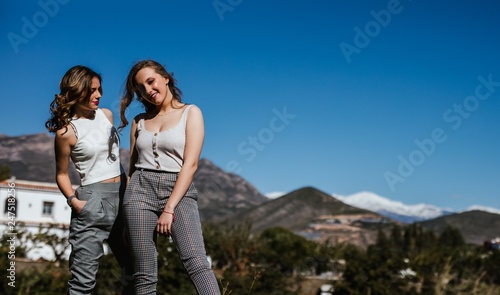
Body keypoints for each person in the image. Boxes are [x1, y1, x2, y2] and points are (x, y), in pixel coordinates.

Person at [118, 59, 220, 294]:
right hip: (139, 192)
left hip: (179, 190)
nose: (148, 91)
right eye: (141, 88)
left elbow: (190, 165)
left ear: (166, 78)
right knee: (144, 272)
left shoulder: (190, 112)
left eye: (151, 82)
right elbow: (132, 170)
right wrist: (125, 219)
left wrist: (169, 208)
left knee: (196, 263)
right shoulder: (138, 122)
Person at [45, 65, 134, 294]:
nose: (98, 95)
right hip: (93, 202)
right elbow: (62, 174)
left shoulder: (106, 115)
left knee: (136, 270)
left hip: (123, 195)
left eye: (99, 89)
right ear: (76, 92)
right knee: (83, 283)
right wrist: (74, 201)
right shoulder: (66, 132)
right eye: (92, 91)